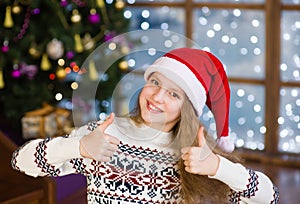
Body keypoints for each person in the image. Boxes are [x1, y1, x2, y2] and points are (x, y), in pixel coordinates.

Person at [11, 48, 279, 203]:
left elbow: (269, 198)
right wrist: (77, 147)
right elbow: (20, 162)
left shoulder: (198, 154)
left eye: (174, 94)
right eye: (155, 83)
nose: (157, 97)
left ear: (188, 108)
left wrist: (218, 167)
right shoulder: (104, 135)